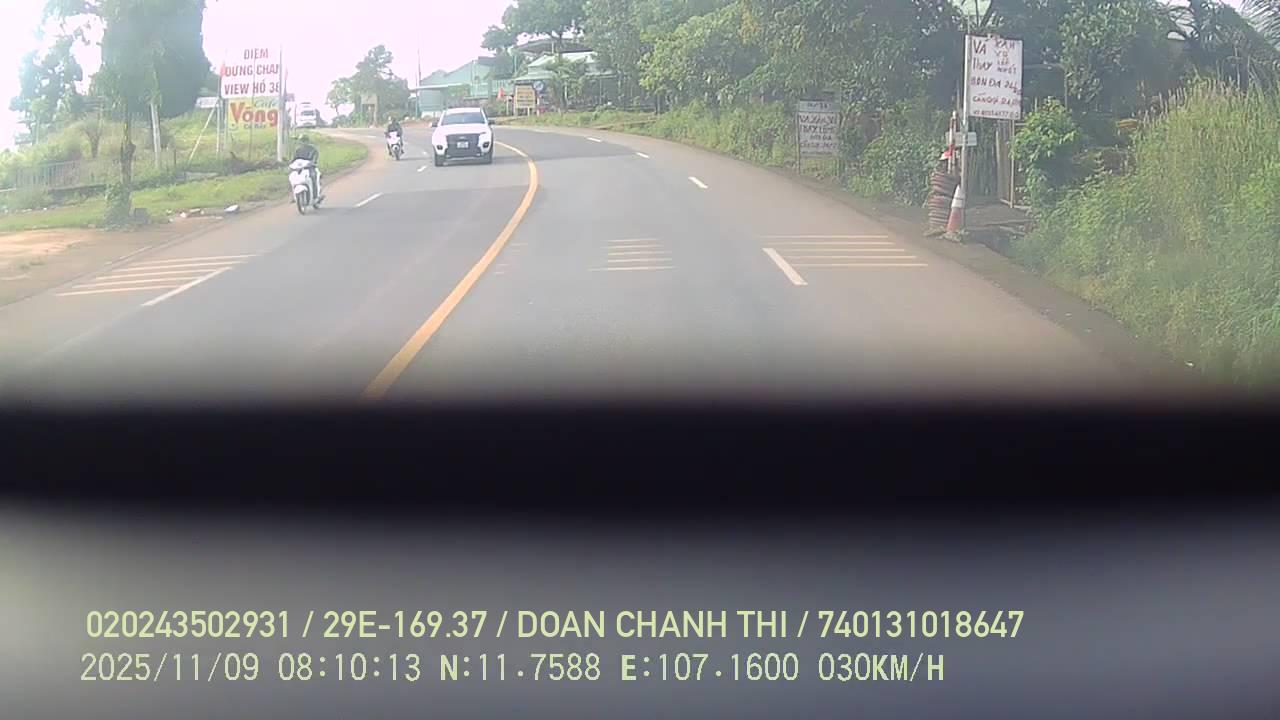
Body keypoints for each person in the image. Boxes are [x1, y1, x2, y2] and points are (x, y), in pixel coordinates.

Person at [292, 135, 323, 203]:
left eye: (304, 141)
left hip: (311, 168)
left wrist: (313, 162)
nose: (303, 142)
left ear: (307, 141)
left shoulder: (313, 149)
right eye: (301, 141)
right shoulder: (298, 150)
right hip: (300, 169)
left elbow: (315, 157)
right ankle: (295, 196)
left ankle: (316, 196)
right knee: (293, 177)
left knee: (313, 177)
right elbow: (294, 160)